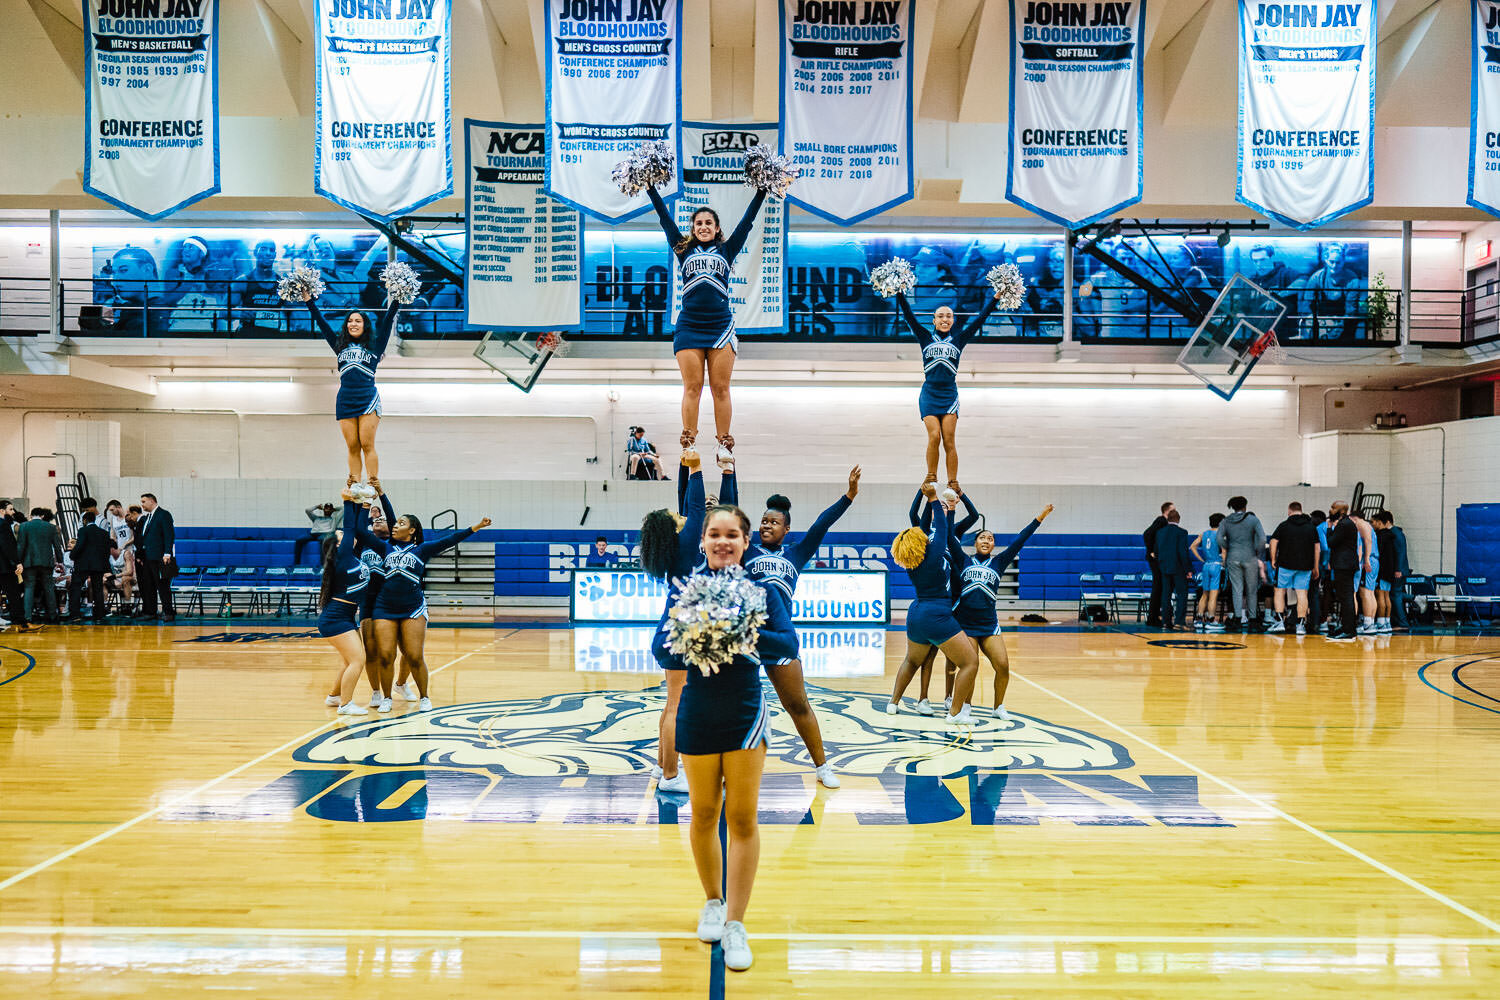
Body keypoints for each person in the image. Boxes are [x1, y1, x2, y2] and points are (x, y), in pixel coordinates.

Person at [674, 502, 797, 973]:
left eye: (732, 535)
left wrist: (739, 631)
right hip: (698, 712)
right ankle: (712, 901)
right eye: (714, 534)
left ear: (746, 542)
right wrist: (694, 631)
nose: (722, 541)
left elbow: (787, 644)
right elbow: (657, 647)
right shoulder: (686, 589)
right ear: (703, 541)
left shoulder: (762, 589)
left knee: (742, 819)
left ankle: (737, 923)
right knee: (704, 812)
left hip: (745, 713)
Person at [731, 466, 862, 789]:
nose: (766, 526)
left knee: (798, 705)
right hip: (745, 637)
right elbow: (731, 513)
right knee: (730, 704)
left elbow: (822, 524)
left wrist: (849, 496)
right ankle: (716, 769)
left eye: (773, 523)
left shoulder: (797, 553)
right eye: (763, 521)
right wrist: (729, 472)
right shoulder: (746, 550)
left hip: (778, 638)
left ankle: (822, 766)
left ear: (786, 529)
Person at [645, 183, 770, 463]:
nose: (703, 226)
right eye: (698, 223)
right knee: (692, 387)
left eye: (708, 223)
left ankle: (724, 445)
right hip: (689, 325)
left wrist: (762, 190)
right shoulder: (682, 249)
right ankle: (689, 442)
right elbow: (665, 219)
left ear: (716, 228)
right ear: (693, 228)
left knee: (721, 388)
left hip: (720, 326)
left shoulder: (727, 251)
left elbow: (747, 223)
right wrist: (651, 188)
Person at [358, 492, 491, 712]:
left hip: (413, 607)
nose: (394, 526)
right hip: (384, 607)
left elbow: (450, 539)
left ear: (411, 530)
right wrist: (368, 502)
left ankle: (424, 697)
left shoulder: (423, 549)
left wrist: (476, 526)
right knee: (386, 656)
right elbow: (362, 533)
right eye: (395, 523)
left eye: (401, 523)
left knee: (414, 655)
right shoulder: (386, 547)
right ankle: (387, 697)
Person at [945, 495, 1054, 714]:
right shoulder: (964, 560)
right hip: (966, 624)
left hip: (988, 624)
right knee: (970, 667)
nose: (986, 540)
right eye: (982, 538)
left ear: (994, 545)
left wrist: (1039, 518)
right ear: (974, 543)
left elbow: (1021, 539)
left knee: (1003, 666)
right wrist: (951, 509)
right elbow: (949, 537)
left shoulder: (999, 561)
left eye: (990, 539)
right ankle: (966, 706)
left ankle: (998, 707)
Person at [639, 451, 708, 794]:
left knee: (671, 703)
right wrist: (695, 467)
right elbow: (695, 508)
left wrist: (684, 465)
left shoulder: (679, 548)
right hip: (678, 635)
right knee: (677, 707)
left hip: (670, 632)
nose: (679, 515)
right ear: (672, 527)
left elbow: (689, 509)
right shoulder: (685, 543)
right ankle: (670, 776)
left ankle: (659, 765)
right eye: (673, 515)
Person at [891, 285, 1003, 493]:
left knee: (949, 439)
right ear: (933, 320)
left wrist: (995, 298)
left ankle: (953, 481)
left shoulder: (959, 339)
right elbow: (908, 315)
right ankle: (931, 475)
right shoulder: (925, 337)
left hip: (950, 394)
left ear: (953, 320)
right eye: (940, 316)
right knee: (934, 436)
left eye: (949, 316)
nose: (945, 319)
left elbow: (980, 319)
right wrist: (899, 291)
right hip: (929, 393)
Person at [887, 485, 979, 725]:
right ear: (921, 543)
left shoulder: (913, 562)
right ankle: (955, 713)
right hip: (936, 614)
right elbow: (939, 526)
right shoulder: (934, 554)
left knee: (912, 660)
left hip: (916, 614)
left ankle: (893, 703)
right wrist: (935, 499)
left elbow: (927, 526)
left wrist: (930, 499)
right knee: (970, 662)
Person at [307, 297, 401, 486]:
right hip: (345, 398)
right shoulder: (339, 344)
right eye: (350, 321)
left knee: (367, 444)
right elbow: (321, 322)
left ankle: (373, 482)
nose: (353, 324)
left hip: (367, 397)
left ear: (365, 325)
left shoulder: (376, 345)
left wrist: (397, 297)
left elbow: (388, 320)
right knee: (352, 446)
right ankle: (355, 484)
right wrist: (309, 300)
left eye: (357, 321)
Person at [319, 494, 374, 715]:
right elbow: (350, 526)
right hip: (336, 619)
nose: (348, 534)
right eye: (343, 534)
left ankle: (334, 697)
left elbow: (357, 528)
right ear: (340, 545)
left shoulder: (352, 558)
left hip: (345, 617)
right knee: (358, 660)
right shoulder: (343, 558)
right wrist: (348, 501)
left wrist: (364, 505)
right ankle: (346, 704)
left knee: (348, 660)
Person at [1268, 502, 1321, 635]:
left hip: (1285, 564)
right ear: (1301, 511)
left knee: (1280, 591)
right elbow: (1317, 548)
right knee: (1302, 593)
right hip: (1305, 566)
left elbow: (1273, 541)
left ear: (1289, 511)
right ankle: (1301, 626)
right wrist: (1315, 567)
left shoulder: (1284, 525)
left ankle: (1280, 622)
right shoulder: (1311, 527)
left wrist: (1273, 559)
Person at [1218, 496, 1266, 632]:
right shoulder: (1253, 520)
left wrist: (1229, 546)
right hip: (1250, 557)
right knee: (1251, 590)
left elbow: (1219, 538)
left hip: (1233, 557)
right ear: (1245, 506)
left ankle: (1237, 619)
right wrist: (1256, 550)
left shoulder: (1225, 521)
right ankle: (1252, 620)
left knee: (1236, 589)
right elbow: (1262, 539)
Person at [68, 498, 114, 623]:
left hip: (83, 564)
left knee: (76, 588)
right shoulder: (103, 533)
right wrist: (105, 565)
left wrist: (72, 555)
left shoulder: (83, 530)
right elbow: (106, 550)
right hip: (98, 565)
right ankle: (99, 615)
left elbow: (80, 545)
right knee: (98, 589)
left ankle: (75, 614)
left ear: (84, 520)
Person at [17, 508, 63, 625]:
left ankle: (27, 617)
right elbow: (57, 546)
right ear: (42, 516)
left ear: (31, 515)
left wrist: (18, 561)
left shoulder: (23, 526)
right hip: (46, 562)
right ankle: (53, 615)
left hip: (29, 562)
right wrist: (60, 561)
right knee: (49, 588)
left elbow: (21, 545)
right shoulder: (51, 527)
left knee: (29, 588)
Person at [135, 492, 176, 622]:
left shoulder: (164, 514)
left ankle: (168, 612)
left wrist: (167, 553)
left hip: (160, 557)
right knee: (149, 585)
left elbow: (169, 535)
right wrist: (140, 555)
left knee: (162, 586)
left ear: (152, 501)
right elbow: (144, 538)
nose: (142, 504)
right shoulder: (147, 517)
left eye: (143, 501)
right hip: (148, 558)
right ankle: (150, 611)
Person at [233, 239, 285, 335]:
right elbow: (223, 312)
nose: (268, 253)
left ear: (275, 255)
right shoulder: (243, 281)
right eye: (263, 249)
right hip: (247, 337)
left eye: (271, 250)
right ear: (255, 253)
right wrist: (239, 314)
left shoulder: (282, 284)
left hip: (273, 338)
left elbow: (295, 311)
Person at [1325, 501, 1359, 641]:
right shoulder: (1346, 523)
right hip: (1344, 565)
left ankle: (1349, 630)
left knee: (1346, 598)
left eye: (1333, 508)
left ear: (1342, 511)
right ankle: (1346, 627)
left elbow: (1331, 542)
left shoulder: (1344, 524)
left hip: (1344, 565)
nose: (1330, 509)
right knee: (1345, 598)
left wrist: (1329, 528)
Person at [1372, 510, 1410, 631]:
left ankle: (1402, 623)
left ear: (1386, 522)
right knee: (1392, 595)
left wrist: (1398, 569)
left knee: (1395, 595)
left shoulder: (1395, 533)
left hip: (1398, 570)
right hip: (1397, 569)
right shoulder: (1395, 533)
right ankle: (1392, 621)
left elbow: (1399, 553)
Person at [1155, 510, 1193, 630]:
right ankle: (1179, 622)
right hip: (1178, 568)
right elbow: (1183, 552)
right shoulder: (1182, 532)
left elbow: (1156, 551)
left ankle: (1166, 622)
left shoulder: (1160, 532)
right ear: (1178, 519)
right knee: (1181, 595)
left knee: (1165, 595)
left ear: (1168, 519)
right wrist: (1188, 569)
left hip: (1164, 568)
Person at [1142, 501, 1175, 628]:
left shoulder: (1165, 523)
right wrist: (1151, 551)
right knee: (1158, 587)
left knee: (1159, 587)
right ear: (1166, 511)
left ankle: (1155, 616)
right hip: (1155, 560)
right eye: (1173, 509)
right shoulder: (1161, 520)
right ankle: (1153, 617)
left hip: (1160, 559)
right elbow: (1147, 534)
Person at [1189, 512, 1225, 632]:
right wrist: (1224, 564)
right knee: (1213, 595)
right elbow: (1224, 554)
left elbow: (1192, 547)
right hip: (1216, 566)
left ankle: (1199, 619)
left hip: (1206, 565)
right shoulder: (1220, 536)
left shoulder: (1204, 534)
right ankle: (1211, 620)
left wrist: (1201, 559)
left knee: (1205, 594)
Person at [98, 499, 136, 611]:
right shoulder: (113, 519)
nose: (111, 512)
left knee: (129, 577)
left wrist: (124, 544)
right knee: (118, 576)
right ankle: (122, 604)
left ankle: (131, 604)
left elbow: (134, 536)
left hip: (130, 550)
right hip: (118, 551)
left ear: (118, 507)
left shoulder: (128, 517)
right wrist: (112, 545)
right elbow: (112, 535)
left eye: (112, 510)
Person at [1350, 508, 1379, 635]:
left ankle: (1368, 624)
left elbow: (1367, 541)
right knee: (1370, 592)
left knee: (1365, 592)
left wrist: (1366, 559)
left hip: (1369, 559)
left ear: (1354, 518)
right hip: (1374, 559)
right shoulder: (1367, 525)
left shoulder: (1361, 524)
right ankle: (1370, 622)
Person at [0, 500, 25, 629]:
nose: (13, 512)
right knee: (13, 592)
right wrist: (17, 562)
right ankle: (22, 623)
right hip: (4, 566)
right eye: (10, 509)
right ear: (2, 510)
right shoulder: (3, 524)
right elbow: (7, 546)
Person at [295, 502, 342, 566]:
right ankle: (296, 564)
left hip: (325, 534)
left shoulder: (334, 519)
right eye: (326, 508)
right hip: (313, 534)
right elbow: (307, 510)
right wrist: (317, 506)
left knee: (323, 540)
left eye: (329, 509)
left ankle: (322, 565)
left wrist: (335, 509)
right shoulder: (316, 518)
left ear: (332, 510)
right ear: (323, 510)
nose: (327, 510)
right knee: (299, 540)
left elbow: (343, 509)